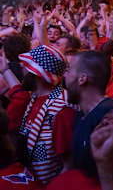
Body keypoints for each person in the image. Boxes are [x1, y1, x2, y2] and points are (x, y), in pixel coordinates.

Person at [3, 45, 77, 184]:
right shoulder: (36, 98)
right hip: (30, 180)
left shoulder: (61, 109)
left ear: (38, 73)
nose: (22, 68)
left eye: (26, 65)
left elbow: (68, 165)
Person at [64, 51, 113, 176]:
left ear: (82, 79)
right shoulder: (82, 115)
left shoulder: (108, 118)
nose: (65, 75)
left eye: (69, 70)